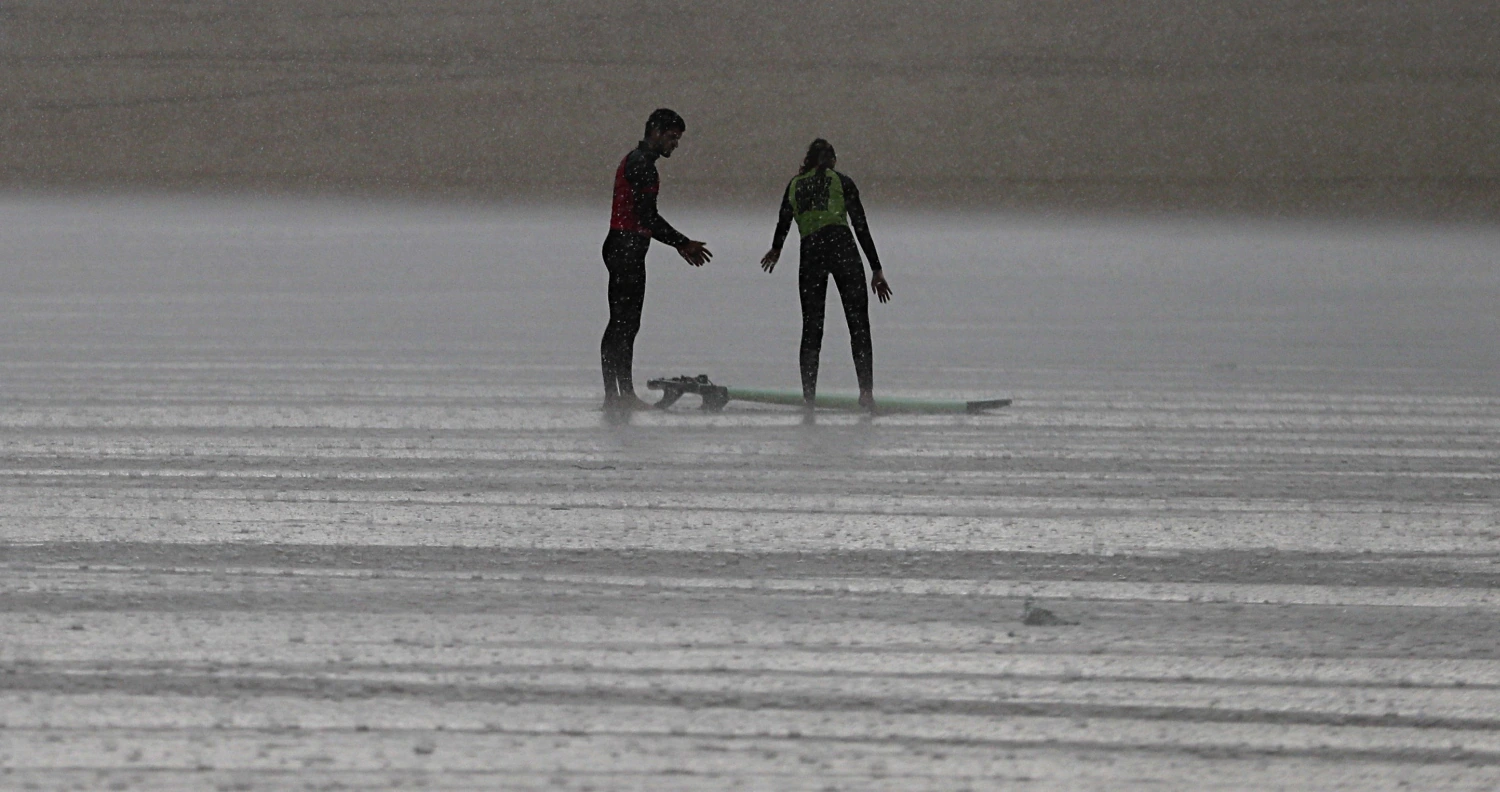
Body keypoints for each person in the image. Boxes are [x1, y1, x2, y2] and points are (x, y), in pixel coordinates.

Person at [761, 139, 892, 412]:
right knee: (858, 324)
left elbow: (783, 220)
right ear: (832, 160)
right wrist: (876, 268)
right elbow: (860, 225)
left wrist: (776, 248)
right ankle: (866, 393)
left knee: (812, 327)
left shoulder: (795, 185)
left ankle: (809, 398)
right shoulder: (842, 181)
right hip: (842, 248)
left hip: (811, 254)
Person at [600, 108, 712, 410]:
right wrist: (683, 242)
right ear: (656, 132)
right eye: (673, 138)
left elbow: (647, 218)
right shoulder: (642, 166)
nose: (675, 144)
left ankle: (620, 394)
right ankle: (617, 396)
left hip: (625, 247)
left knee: (625, 324)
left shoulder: (638, 161)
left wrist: (677, 243)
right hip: (625, 247)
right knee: (623, 324)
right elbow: (647, 216)